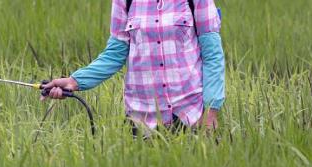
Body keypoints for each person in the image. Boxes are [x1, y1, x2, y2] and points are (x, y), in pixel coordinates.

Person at [42, 0, 226, 133]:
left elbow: (213, 56)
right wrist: (74, 81)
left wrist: (211, 113)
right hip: (141, 124)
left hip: (190, 118)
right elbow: (114, 55)